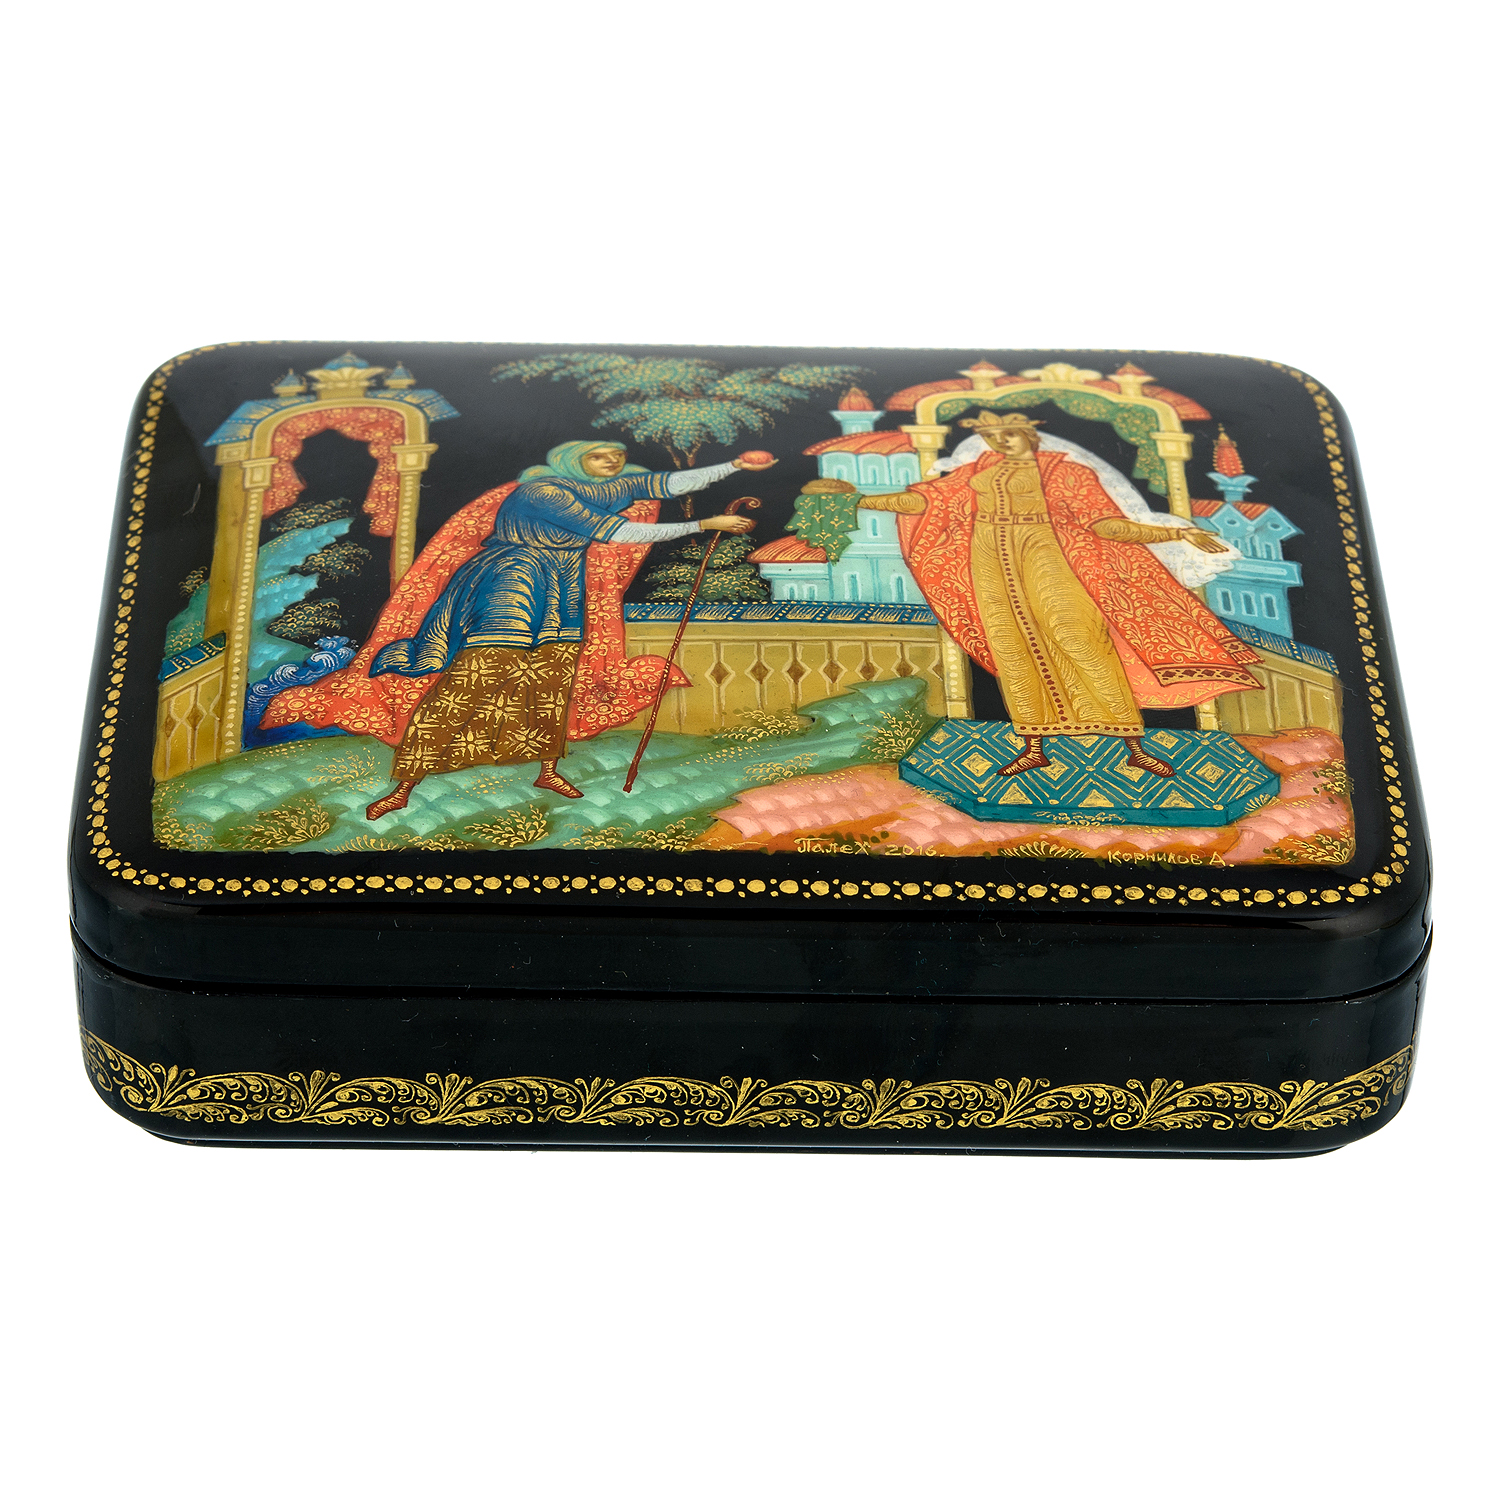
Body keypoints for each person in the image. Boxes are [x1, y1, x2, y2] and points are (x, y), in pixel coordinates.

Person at [363, 440, 764, 817]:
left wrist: (734, 465)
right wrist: (703, 523)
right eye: (598, 456)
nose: (612, 461)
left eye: (617, 455)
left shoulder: (603, 490)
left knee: (552, 678)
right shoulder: (543, 492)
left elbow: (666, 483)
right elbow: (619, 532)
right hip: (514, 576)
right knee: (477, 676)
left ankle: (547, 769)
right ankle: (404, 786)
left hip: (562, 581)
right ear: (572, 461)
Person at [858, 411, 1260, 777]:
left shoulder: (1066, 472)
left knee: (1082, 641)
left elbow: (1107, 525)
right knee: (1013, 650)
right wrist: (858, 499)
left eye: (1009, 432)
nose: (1001, 440)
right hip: (990, 564)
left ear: (1030, 434)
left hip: (1048, 557)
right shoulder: (975, 472)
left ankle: (1134, 747)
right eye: (992, 435)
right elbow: (921, 501)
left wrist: (1176, 533)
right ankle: (1034, 747)